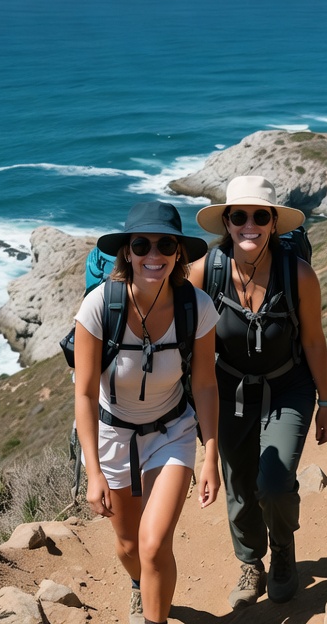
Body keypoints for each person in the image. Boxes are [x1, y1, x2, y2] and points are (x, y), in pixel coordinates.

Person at [190, 176, 327, 608]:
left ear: (274, 223)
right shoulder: (205, 273)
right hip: (228, 389)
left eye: (260, 216)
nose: (248, 225)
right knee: (238, 483)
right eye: (239, 216)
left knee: (273, 482)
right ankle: (250, 562)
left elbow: (314, 341)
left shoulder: (298, 274)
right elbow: (187, 343)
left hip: (288, 386)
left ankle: (283, 551)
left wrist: (325, 403)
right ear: (227, 223)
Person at [73, 201, 220, 624]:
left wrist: (210, 456)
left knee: (154, 545)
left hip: (171, 432)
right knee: (129, 546)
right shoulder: (100, 307)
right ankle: (141, 586)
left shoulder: (196, 307)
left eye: (165, 245)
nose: (153, 255)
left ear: (179, 252)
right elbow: (84, 393)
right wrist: (93, 472)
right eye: (142, 245)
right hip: (112, 436)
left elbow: (205, 384)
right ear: (127, 252)